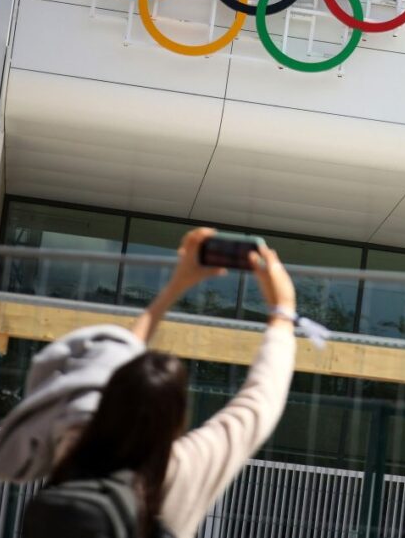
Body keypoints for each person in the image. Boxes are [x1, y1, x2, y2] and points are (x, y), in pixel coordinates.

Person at [42, 227, 296, 538]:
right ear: (177, 418)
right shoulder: (183, 470)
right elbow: (261, 400)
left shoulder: (74, 442)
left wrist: (177, 284)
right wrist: (283, 311)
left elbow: (111, 361)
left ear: (109, 398)